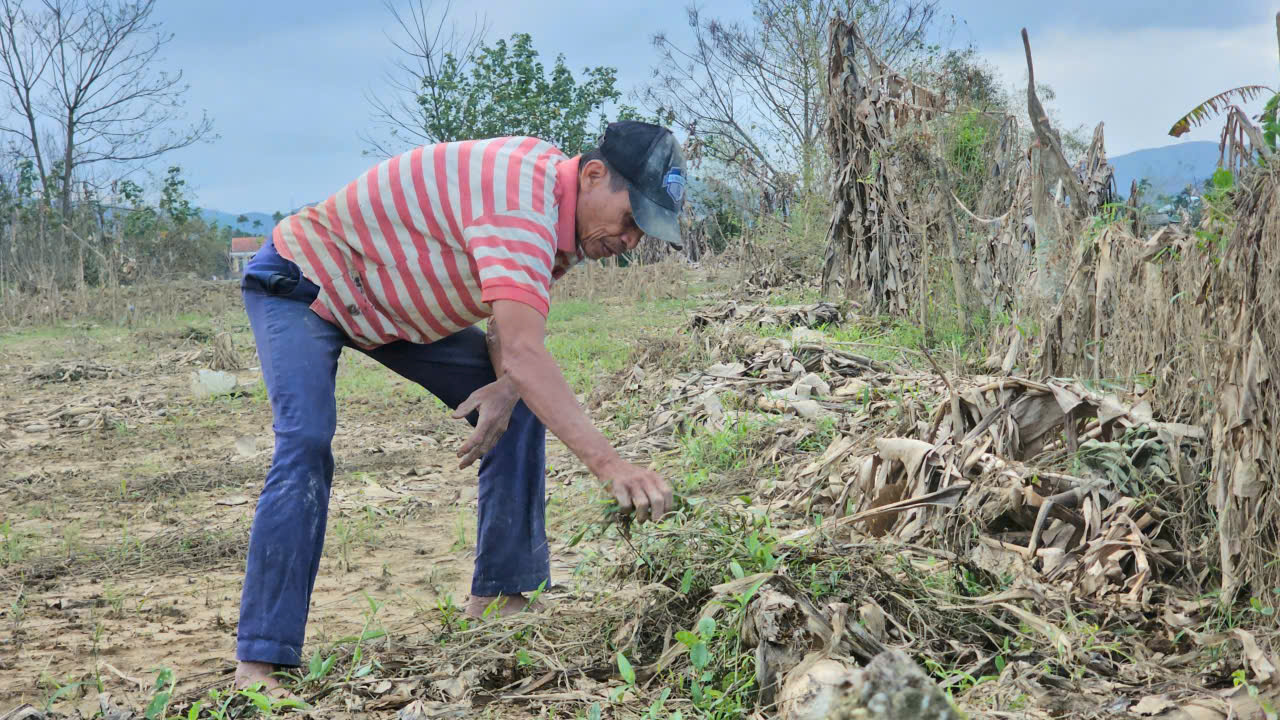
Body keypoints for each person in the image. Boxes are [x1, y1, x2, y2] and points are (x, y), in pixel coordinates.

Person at [234, 121, 686, 691]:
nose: (631, 241)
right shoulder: (522, 201)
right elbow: (524, 352)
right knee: (305, 440)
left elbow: (509, 330)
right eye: (631, 219)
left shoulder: (564, 221)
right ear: (594, 175)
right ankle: (261, 660)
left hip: (391, 311)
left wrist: (506, 386)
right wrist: (612, 466)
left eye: (644, 231)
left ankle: (500, 602)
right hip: (305, 282)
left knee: (519, 403)